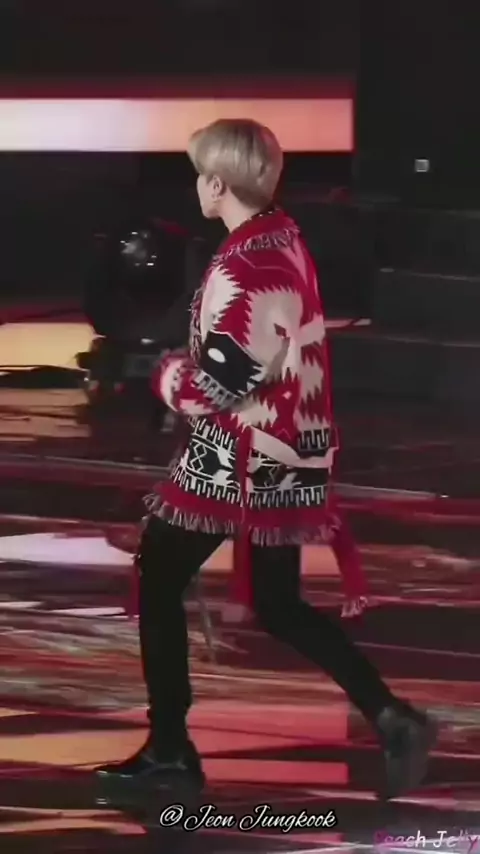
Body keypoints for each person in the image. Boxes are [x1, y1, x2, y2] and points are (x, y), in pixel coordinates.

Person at [97, 118, 436, 800]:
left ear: (217, 184)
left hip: (240, 456)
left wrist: (164, 376)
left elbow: (219, 385)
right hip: (284, 449)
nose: (197, 185)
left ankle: (170, 749)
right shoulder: (281, 242)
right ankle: (390, 715)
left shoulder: (249, 266)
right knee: (278, 604)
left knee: (160, 576)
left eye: (201, 174)